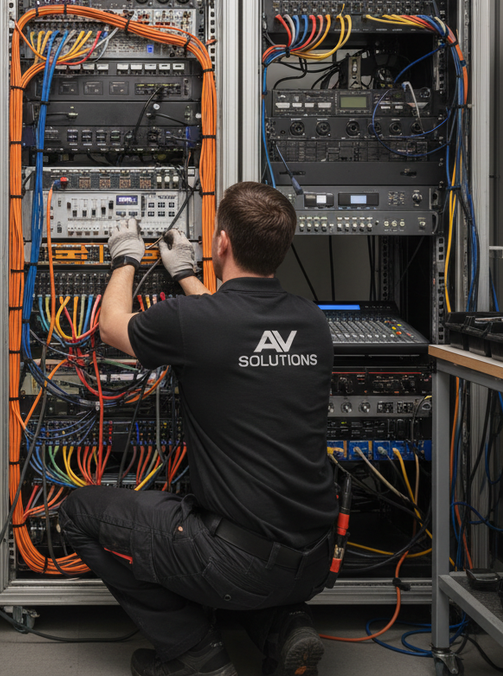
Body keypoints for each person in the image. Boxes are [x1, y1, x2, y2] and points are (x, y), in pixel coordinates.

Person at [59, 182, 338, 676]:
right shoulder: (312, 322)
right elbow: (233, 327)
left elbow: (111, 327)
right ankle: (284, 626)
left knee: (79, 512)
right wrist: (186, 275)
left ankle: (196, 654)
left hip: (235, 561)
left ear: (223, 243)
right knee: (257, 543)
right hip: (316, 557)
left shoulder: (199, 322)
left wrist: (126, 257)